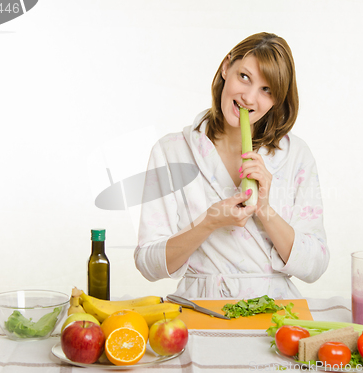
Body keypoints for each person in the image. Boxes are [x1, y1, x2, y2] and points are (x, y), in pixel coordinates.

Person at [134, 32, 329, 299]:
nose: (249, 98)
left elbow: (315, 265)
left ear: (277, 100)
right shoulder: (171, 152)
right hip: (200, 307)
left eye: (266, 89)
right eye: (244, 77)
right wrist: (209, 222)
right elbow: (148, 263)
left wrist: (264, 209)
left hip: (275, 312)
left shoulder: (296, 155)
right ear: (227, 67)